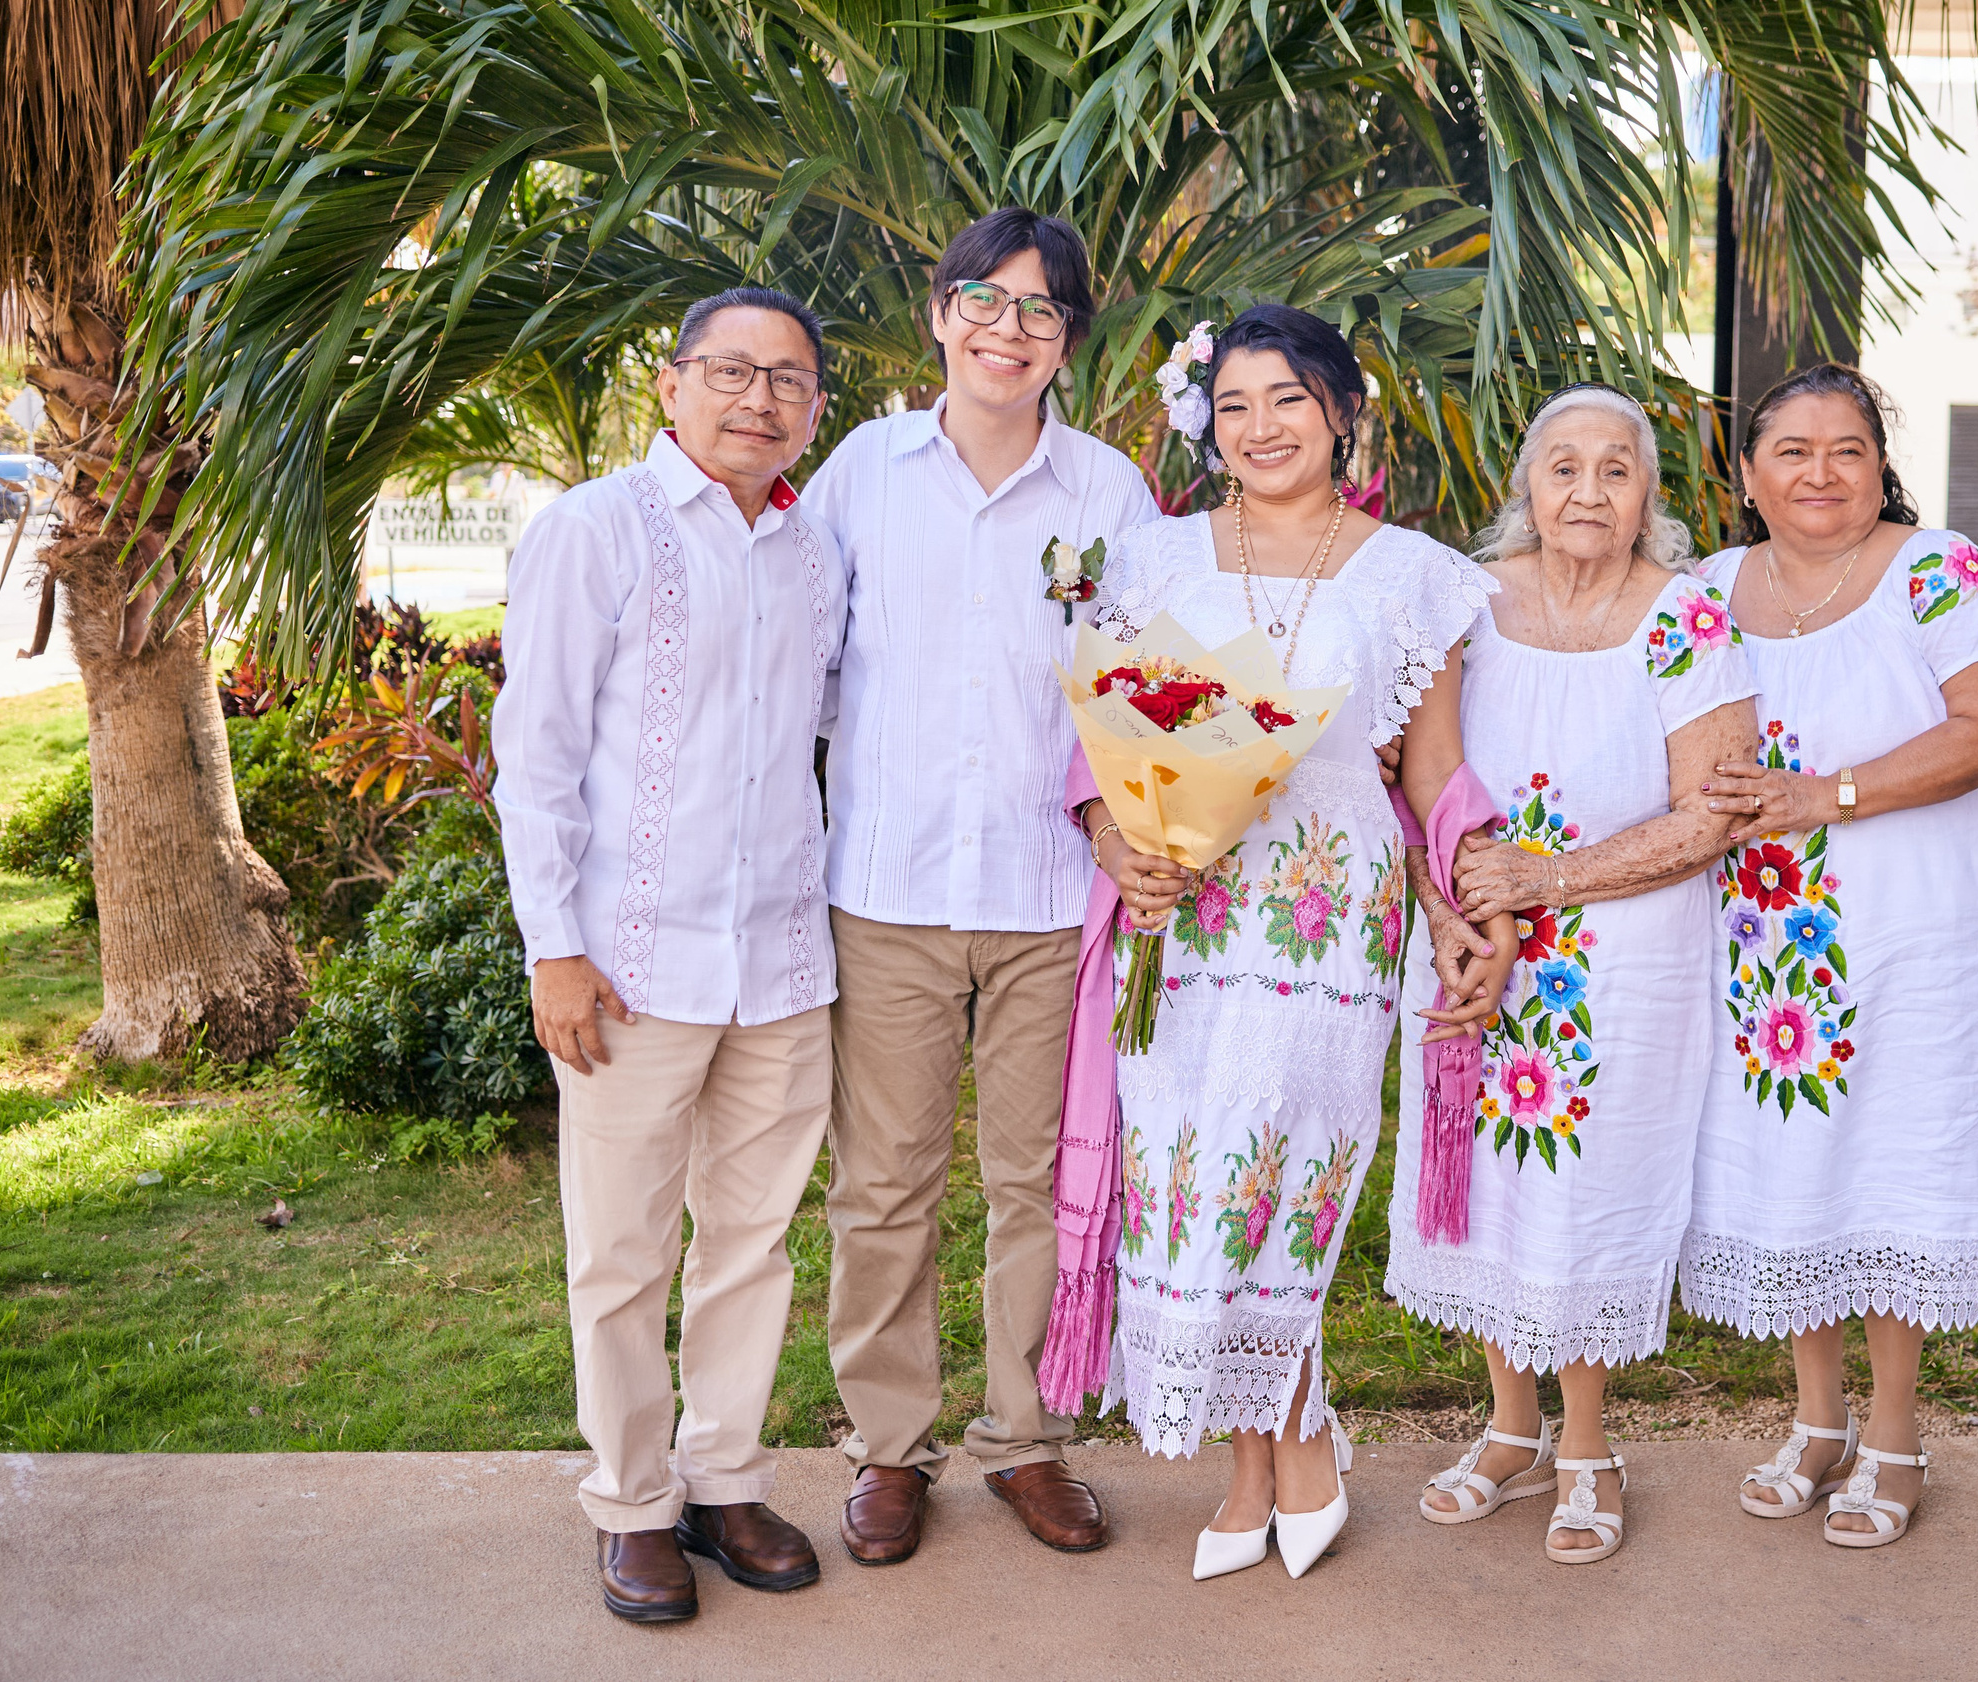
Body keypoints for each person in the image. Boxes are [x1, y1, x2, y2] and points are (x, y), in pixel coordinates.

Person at [1077, 304, 1494, 1579]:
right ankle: (1259, 1446)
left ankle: (1291, 1436)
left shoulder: (1411, 573)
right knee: (1186, 1165)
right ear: (1207, 417)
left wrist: (1466, 913)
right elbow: (1097, 747)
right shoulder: (1149, 558)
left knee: (1282, 1161)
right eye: (1237, 404)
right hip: (1183, 904)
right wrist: (1121, 846)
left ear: (1342, 414)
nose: (1260, 428)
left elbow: (1434, 773)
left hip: (1327, 902)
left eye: (1290, 401)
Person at [800, 208, 1159, 1565]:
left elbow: (1135, 691)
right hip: (885, 881)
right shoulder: (861, 473)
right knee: (883, 1180)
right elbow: (809, 656)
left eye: (1042, 310)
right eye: (987, 301)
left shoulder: (1110, 496)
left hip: (1049, 890)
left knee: (1037, 1177)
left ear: (1070, 339)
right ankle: (890, 1446)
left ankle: (1029, 1438)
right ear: (940, 313)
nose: (1011, 329)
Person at [497, 286, 844, 1622]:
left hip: (780, 961)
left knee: (752, 1243)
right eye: (734, 372)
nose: (761, 399)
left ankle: (724, 1478)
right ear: (672, 383)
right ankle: (633, 1501)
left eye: (790, 381)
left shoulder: (811, 553)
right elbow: (534, 764)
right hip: (631, 965)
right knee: (623, 1253)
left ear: (814, 411)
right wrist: (554, 949)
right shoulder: (595, 531)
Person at [1388, 386, 1758, 1566]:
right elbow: (1413, 777)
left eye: (1614, 469)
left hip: (1621, 956)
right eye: (1563, 468)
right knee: (1487, 1181)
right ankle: (1508, 1427)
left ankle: (1587, 1443)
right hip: (1472, 941)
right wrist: (1456, 910)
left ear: (1649, 493)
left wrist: (1547, 881)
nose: (1587, 492)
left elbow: (1713, 813)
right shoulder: (1466, 607)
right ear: (1526, 485)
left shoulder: (1687, 618)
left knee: (1585, 1190)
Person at [1690, 363, 1978, 1548]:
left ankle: (1893, 1432)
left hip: (1917, 933)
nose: (1818, 472)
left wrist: (1824, 792)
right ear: (1746, 473)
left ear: (1877, 461)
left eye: (1845, 448)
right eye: (1789, 449)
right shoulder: (1703, 590)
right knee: (1795, 1162)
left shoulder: (1938, 571)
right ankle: (1815, 1418)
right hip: (1770, 947)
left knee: (1896, 1166)